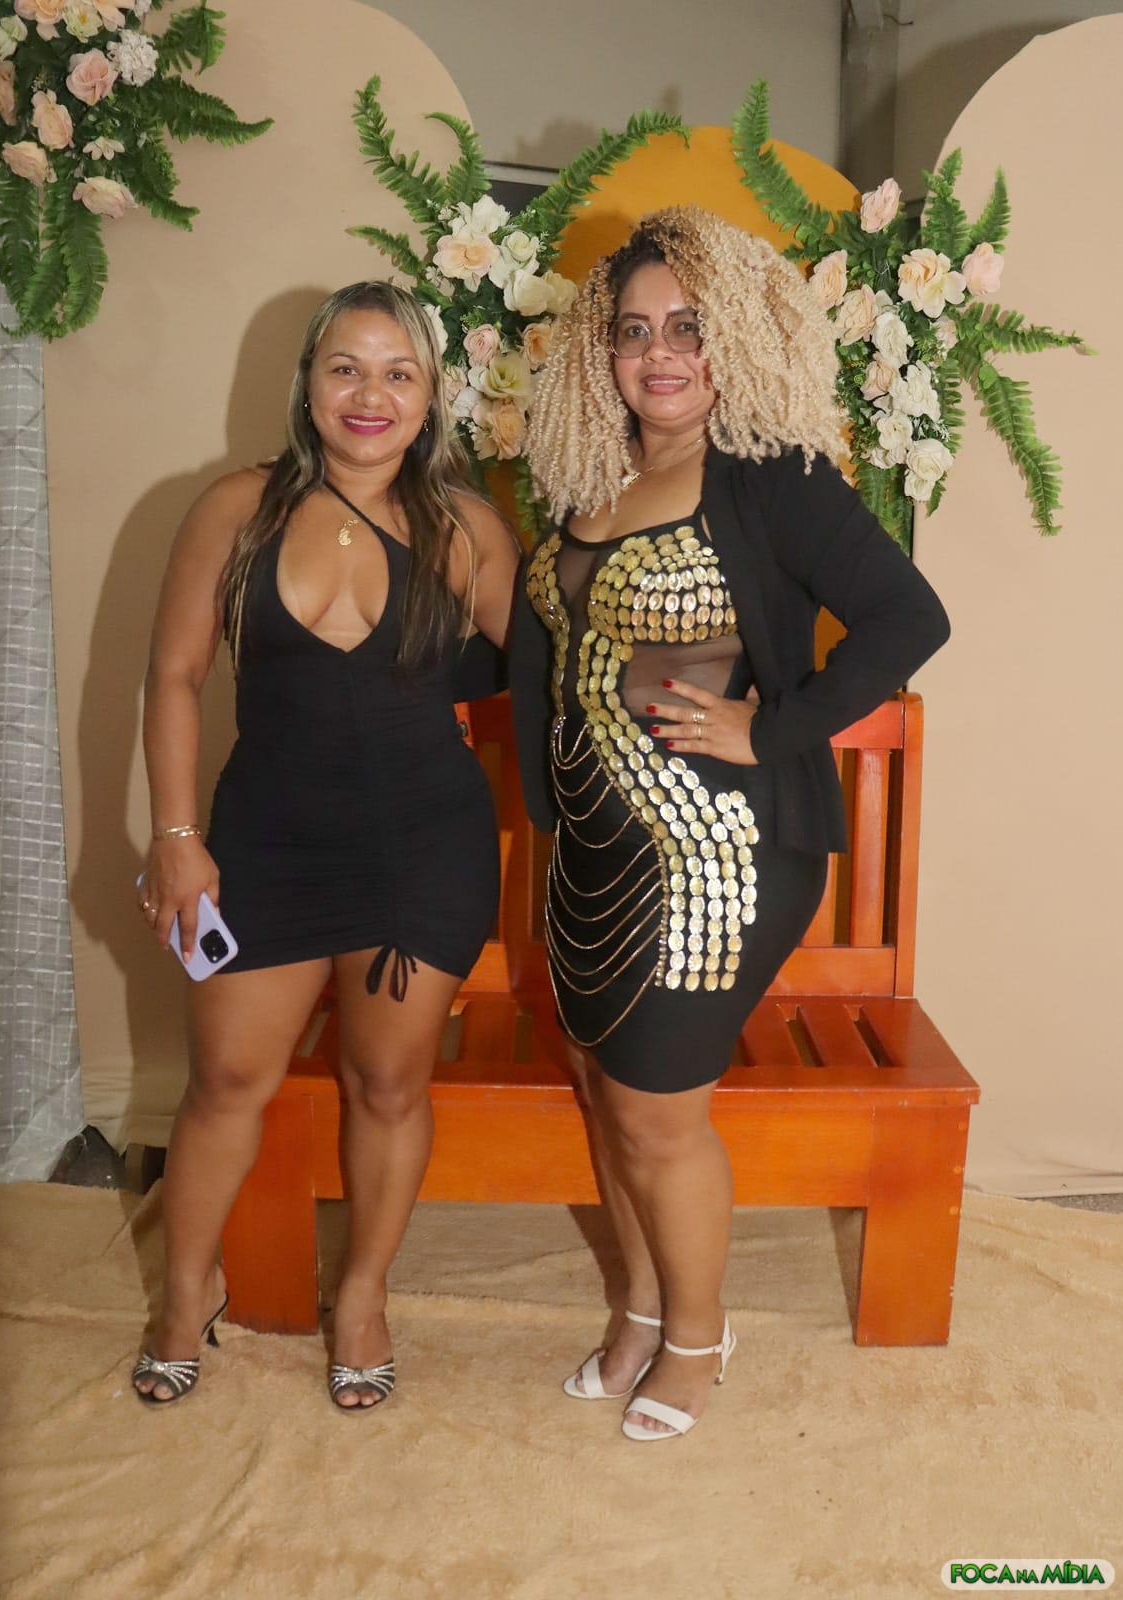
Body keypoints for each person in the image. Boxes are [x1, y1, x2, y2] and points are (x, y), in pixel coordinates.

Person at [513, 206, 950, 1442]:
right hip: (594, 851)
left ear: (738, 340)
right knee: (607, 1092)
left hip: (719, 855)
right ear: (603, 348)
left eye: (688, 327)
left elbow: (909, 618)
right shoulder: (590, 482)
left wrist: (774, 728)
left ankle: (699, 1340)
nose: (659, 353)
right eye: (634, 329)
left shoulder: (772, 479)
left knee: (660, 1109)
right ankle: (641, 1308)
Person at [133, 281, 517, 1409]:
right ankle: (184, 1293)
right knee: (224, 1081)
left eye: (400, 372)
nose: (370, 394)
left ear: (432, 396)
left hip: (424, 851)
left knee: (388, 1084)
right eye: (346, 367)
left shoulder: (466, 529)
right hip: (265, 845)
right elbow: (174, 677)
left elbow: (560, 663)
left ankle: (362, 1297)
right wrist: (175, 836)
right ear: (307, 382)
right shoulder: (237, 508)